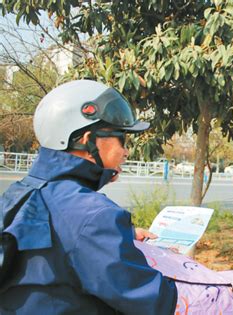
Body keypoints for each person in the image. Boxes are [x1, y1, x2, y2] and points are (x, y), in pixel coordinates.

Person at [0, 80, 177, 314]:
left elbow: (50, 242)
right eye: (121, 138)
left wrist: (124, 236)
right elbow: (152, 300)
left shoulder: (20, 192)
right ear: (87, 140)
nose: (125, 151)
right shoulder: (94, 214)